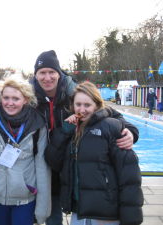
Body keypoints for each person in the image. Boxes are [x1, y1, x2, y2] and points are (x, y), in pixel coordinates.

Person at [31, 50, 139, 225]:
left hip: (68, 165)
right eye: (42, 72)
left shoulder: (73, 91)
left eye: (52, 72)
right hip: (43, 165)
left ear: (59, 74)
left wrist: (130, 131)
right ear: (35, 74)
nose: (47, 77)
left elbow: (109, 113)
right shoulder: (29, 97)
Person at [46, 81, 143, 225]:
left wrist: (131, 217)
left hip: (105, 212)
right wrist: (64, 131)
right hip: (79, 211)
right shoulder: (71, 130)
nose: (82, 110)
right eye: (78, 105)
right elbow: (53, 161)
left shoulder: (111, 127)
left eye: (87, 105)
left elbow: (129, 177)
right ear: (72, 105)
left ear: (97, 105)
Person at [0, 77, 51, 225]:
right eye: (6, 97)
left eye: (15, 98)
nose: (10, 103)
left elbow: (42, 167)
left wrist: (43, 207)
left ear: (26, 100)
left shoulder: (37, 124)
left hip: (25, 197)